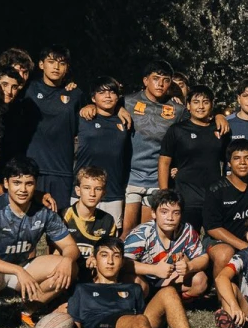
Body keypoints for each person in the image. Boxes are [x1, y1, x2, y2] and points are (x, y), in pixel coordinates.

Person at [0, 156, 80, 327]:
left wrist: (67, 259)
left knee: (70, 267)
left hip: (24, 268)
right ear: (6, 183)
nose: (23, 189)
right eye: (17, 183)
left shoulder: (44, 212)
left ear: (35, 185)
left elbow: (70, 246)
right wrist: (17, 271)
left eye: (29, 183)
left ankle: (27, 310)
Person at [68, 236, 205, 328]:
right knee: (138, 320)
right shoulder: (83, 288)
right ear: (94, 259)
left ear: (122, 262)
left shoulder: (133, 288)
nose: (110, 261)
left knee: (168, 292)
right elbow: (73, 320)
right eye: (104, 255)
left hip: (136, 324)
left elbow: (144, 316)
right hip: (104, 326)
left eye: (116, 256)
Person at [122, 60, 187, 231]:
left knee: (148, 231)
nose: (160, 84)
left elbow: (189, 134)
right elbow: (103, 106)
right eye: (155, 78)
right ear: (145, 80)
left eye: (165, 80)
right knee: (127, 230)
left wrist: (219, 117)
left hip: (157, 180)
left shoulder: (178, 110)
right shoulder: (127, 103)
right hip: (131, 177)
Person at [18, 46, 85, 211]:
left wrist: (118, 108)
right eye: (51, 62)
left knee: (57, 224)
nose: (56, 67)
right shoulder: (28, 89)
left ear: (67, 68)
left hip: (62, 171)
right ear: (41, 64)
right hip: (30, 169)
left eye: (61, 63)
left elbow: (96, 110)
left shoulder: (76, 94)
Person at [158, 84, 223, 232]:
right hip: (186, 199)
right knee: (184, 243)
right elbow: (164, 162)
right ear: (188, 105)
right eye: (196, 102)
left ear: (212, 105)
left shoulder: (220, 129)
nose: (201, 106)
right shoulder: (177, 130)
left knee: (213, 244)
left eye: (205, 102)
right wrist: (165, 194)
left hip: (213, 198)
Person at [124, 189, 210, 300]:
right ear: (153, 213)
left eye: (176, 213)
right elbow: (123, 263)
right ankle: (145, 303)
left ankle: (172, 303)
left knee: (200, 280)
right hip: (145, 279)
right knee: (134, 282)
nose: (170, 218)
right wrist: (154, 270)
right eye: (164, 212)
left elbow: (203, 257)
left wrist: (189, 266)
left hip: (168, 279)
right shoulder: (141, 234)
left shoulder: (186, 230)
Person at [202, 140, 248, 279]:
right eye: (237, 158)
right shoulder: (216, 188)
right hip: (221, 241)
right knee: (225, 254)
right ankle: (222, 299)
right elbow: (212, 228)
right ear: (229, 163)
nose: (242, 162)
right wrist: (244, 246)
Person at [75, 76, 131, 230]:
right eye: (102, 92)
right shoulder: (83, 118)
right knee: (76, 236)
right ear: (93, 97)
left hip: (113, 191)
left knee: (109, 239)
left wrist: (120, 108)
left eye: (112, 92)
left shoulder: (125, 121)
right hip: (84, 189)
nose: (107, 96)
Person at [64, 166, 118, 271]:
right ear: (78, 190)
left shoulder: (108, 220)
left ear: (104, 193)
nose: (92, 194)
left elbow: (110, 252)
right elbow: (55, 252)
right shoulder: (64, 216)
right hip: (67, 270)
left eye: (98, 189)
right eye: (87, 188)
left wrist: (97, 259)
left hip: (95, 271)